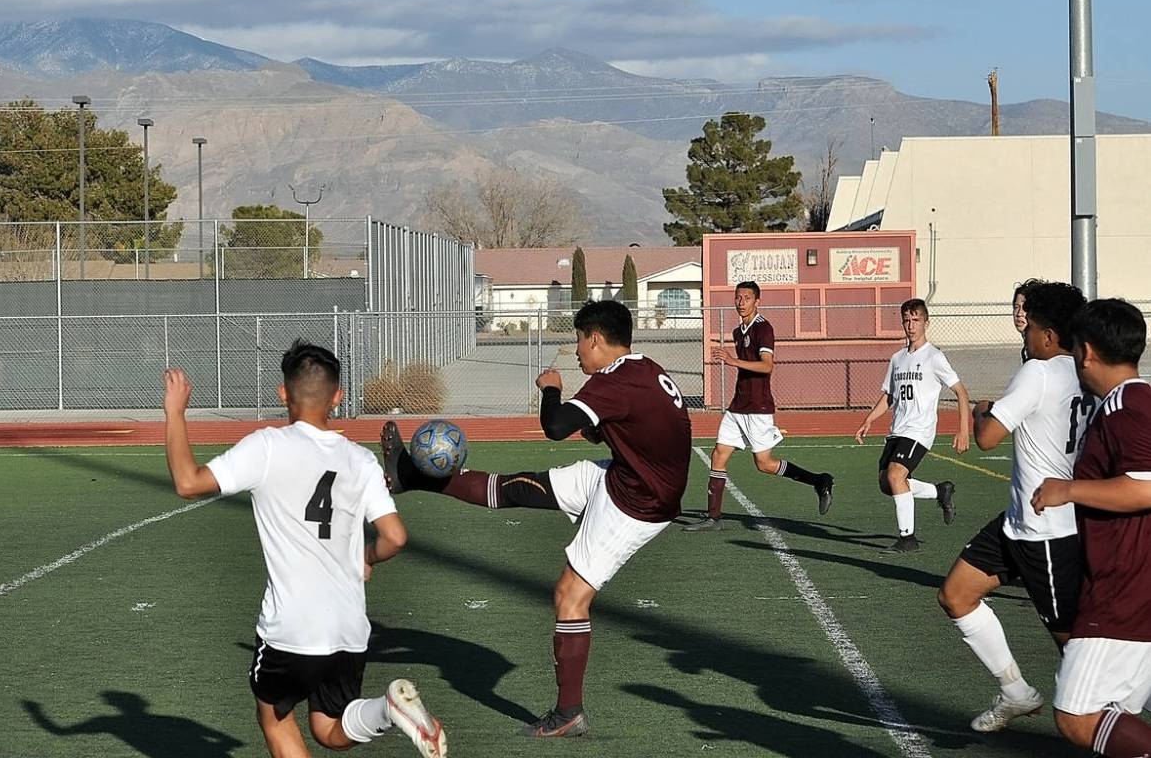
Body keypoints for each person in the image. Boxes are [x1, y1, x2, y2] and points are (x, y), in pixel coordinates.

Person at [380, 300, 691, 738]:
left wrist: (550, 388)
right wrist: (606, 431)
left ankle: (569, 714)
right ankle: (410, 476)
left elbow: (556, 426)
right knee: (520, 487)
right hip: (629, 478)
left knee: (570, 596)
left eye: (579, 340)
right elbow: (642, 424)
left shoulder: (614, 382)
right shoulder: (643, 369)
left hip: (636, 503)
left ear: (596, 339)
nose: (577, 350)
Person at [162, 340, 447, 758]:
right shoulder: (360, 460)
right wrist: (365, 558)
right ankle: (387, 711)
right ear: (338, 396)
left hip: (291, 628)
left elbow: (188, 482)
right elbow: (395, 537)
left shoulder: (267, 446)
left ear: (283, 392)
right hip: (349, 629)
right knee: (329, 728)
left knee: (274, 715)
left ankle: (388, 711)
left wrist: (175, 413)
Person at [937, 282, 1088, 732]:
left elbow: (986, 438)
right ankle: (1015, 692)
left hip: (1048, 534)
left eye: (1030, 324)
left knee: (1081, 652)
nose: (1024, 332)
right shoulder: (1085, 371)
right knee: (956, 595)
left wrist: (985, 410)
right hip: (1019, 523)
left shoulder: (1039, 372)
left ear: (1047, 334)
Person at [1032, 298, 1151, 757]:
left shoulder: (1127, 405)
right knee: (1115, 714)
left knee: (1079, 717)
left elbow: (1144, 488)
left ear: (1085, 352)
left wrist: (1069, 491)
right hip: (1127, 580)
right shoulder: (1131, 401)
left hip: (1124, 587)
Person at [685, 280, 834, 532]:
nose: (741, 302)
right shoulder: (737, 332)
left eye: (746, 298)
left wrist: (733, 361)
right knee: (719, 454)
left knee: (764, 464)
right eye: (738, 297)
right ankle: (714, 517)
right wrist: (735, 362)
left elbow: (767, 366)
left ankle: (819, 480)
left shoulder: (764, 329)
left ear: (757, 301)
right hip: (737, 405)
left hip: (758, 407)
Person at [855, 298, 971, 552]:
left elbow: (961, 392)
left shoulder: (934, 357)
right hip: (898, 429)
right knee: (887, 483)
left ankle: (908, 538)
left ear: (926, 323)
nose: (911, 325)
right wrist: (869, 420)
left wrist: (964, 430)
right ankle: (940, 492)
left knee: (897, 475)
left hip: (919, 431)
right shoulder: (897, 358)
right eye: (907, 320)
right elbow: (889, 396)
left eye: (916, 320)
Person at [1012, 278, 1044, 362]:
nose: (1019, 313)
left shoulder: (1044, 351)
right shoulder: (1028, 348)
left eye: (1026, 308)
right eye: (1016, 307)